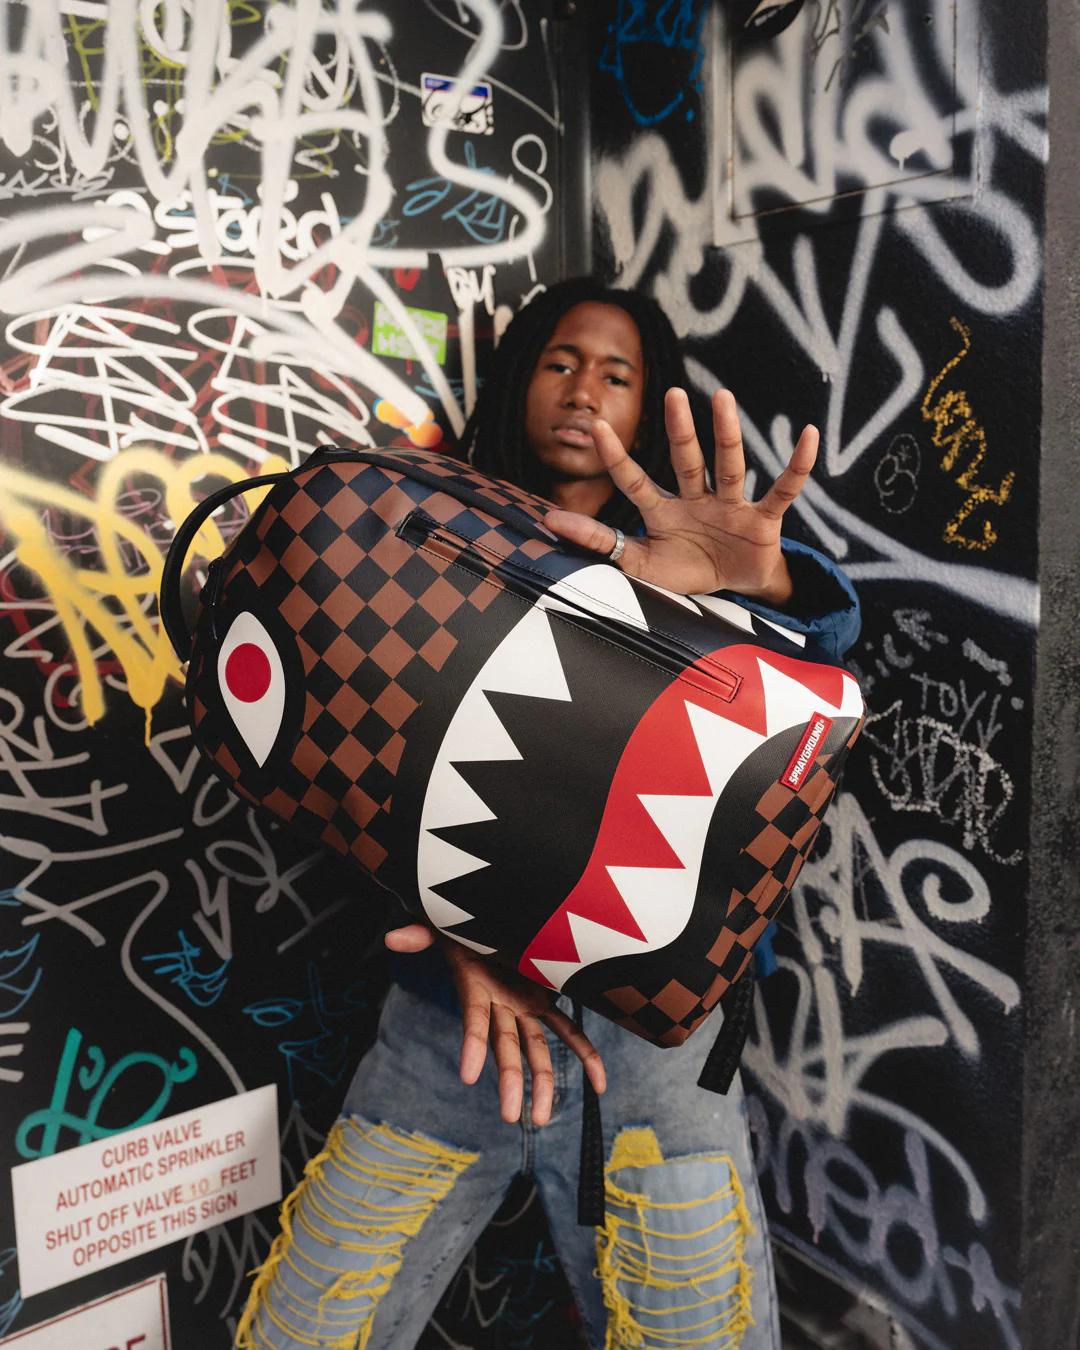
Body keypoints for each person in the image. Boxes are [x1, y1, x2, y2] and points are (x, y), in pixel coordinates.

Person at [235, 278, 860, 1350]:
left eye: (618, 375)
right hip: (453, 1034)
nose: (583, 392)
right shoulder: (423, 541)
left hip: (657, 1060)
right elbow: (338, 769)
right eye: (561, 362)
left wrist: (764, 591)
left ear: (648, 404)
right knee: (303, 1332)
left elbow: (816, 686)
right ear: (521, 376)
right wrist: (455, 924)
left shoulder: (685, 552)